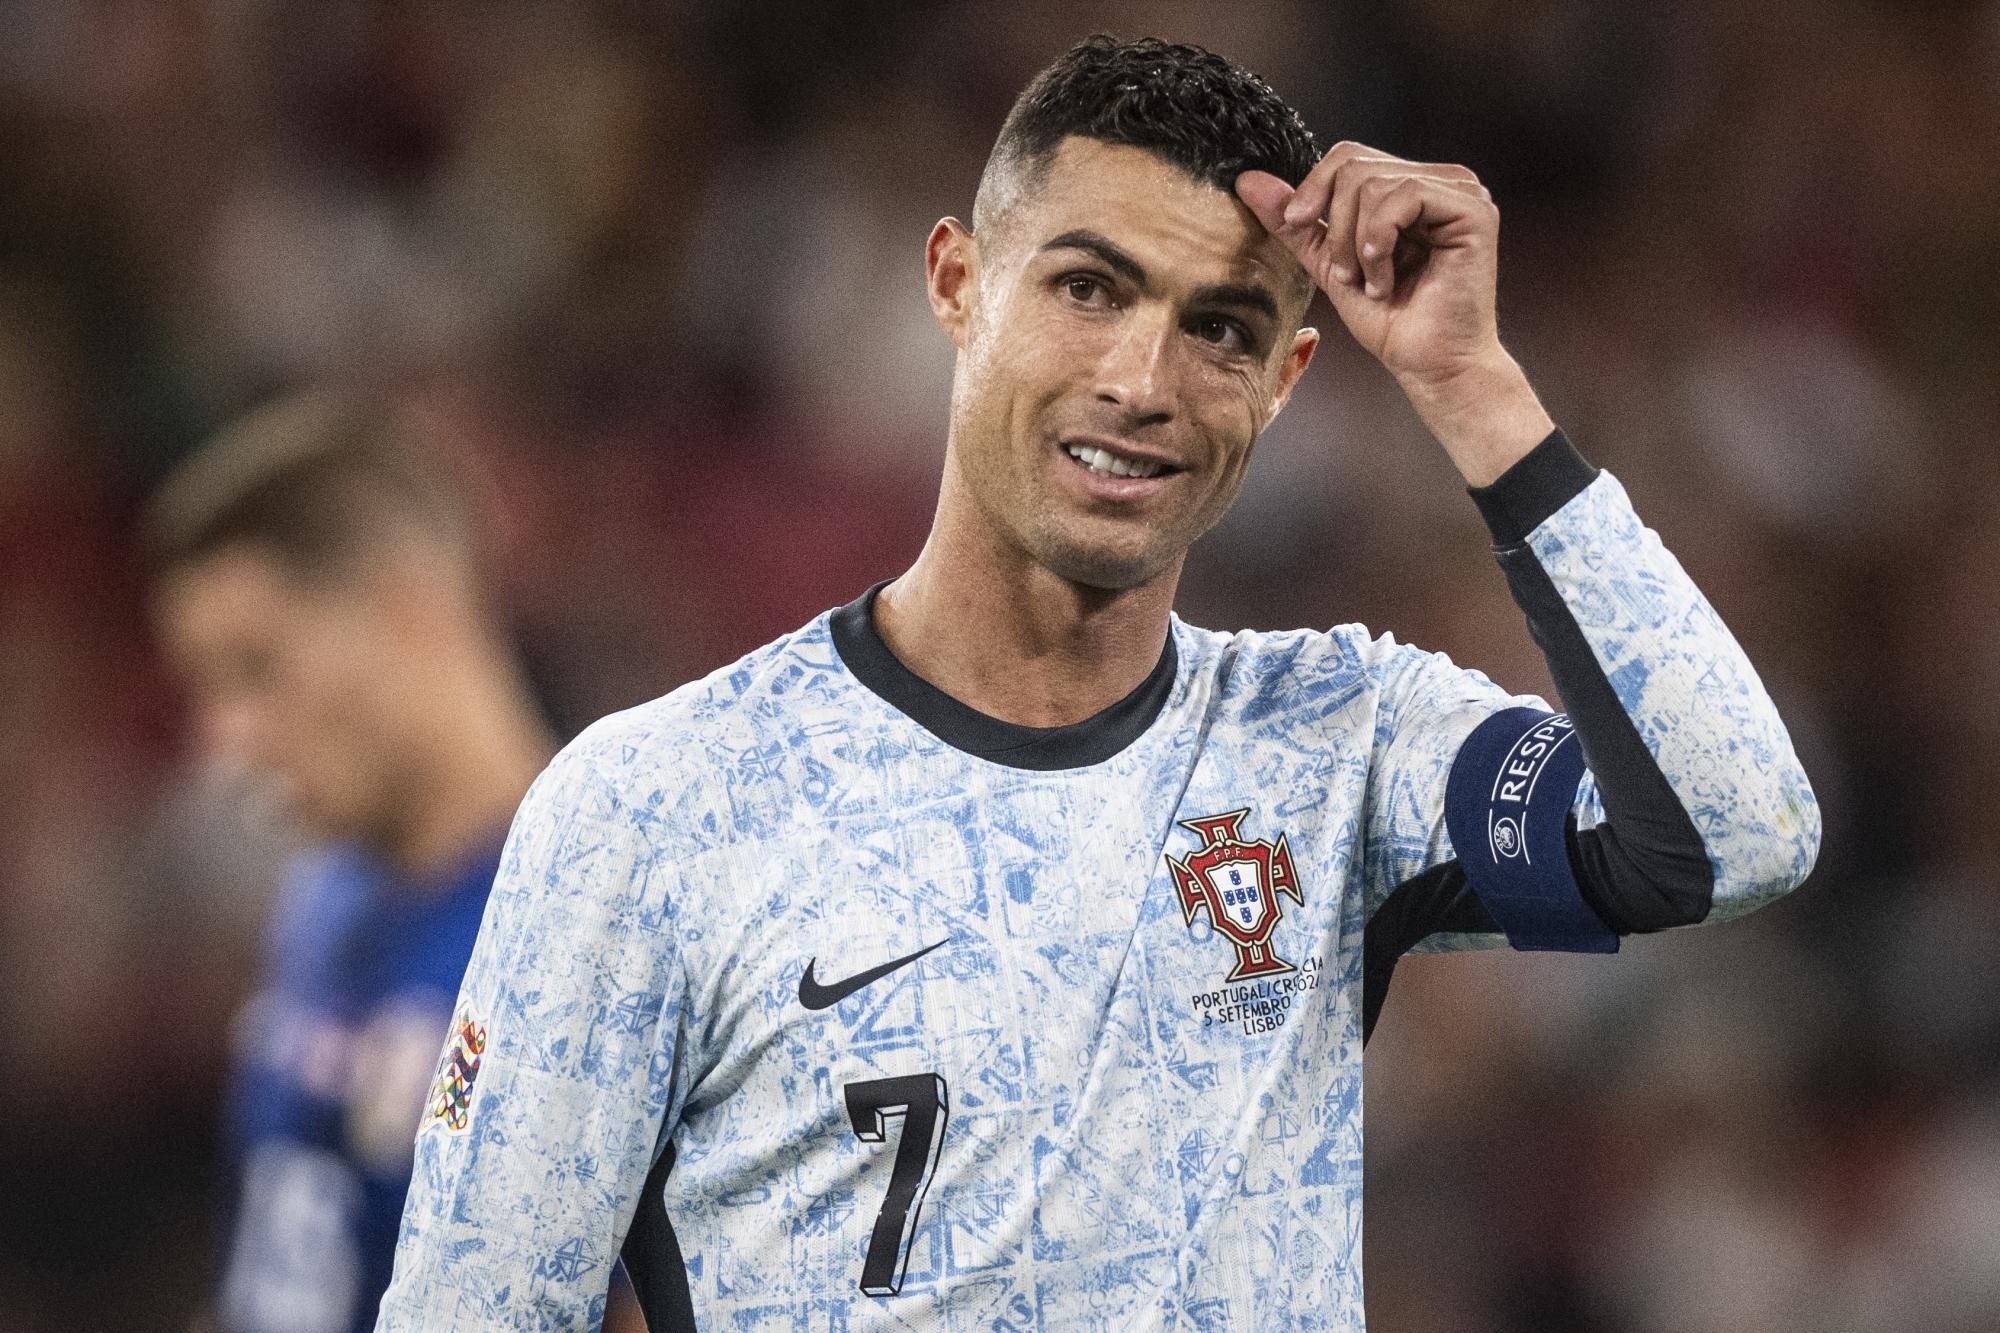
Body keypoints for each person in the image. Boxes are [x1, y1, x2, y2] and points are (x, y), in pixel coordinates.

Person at [377, 36, 1820, 1330]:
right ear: (956, 283)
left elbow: (1734, 828)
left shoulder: (1339, 747)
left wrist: (1473, 385)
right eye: (1088, 287)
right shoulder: (656, 808)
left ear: (1286, 379)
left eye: (1222, 329)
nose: (1145, 378)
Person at [147, 390, 645, 1333]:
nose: (228, 740)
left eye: (255, 667)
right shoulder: (324, 902)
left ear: (409, 611)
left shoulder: (599, 926)